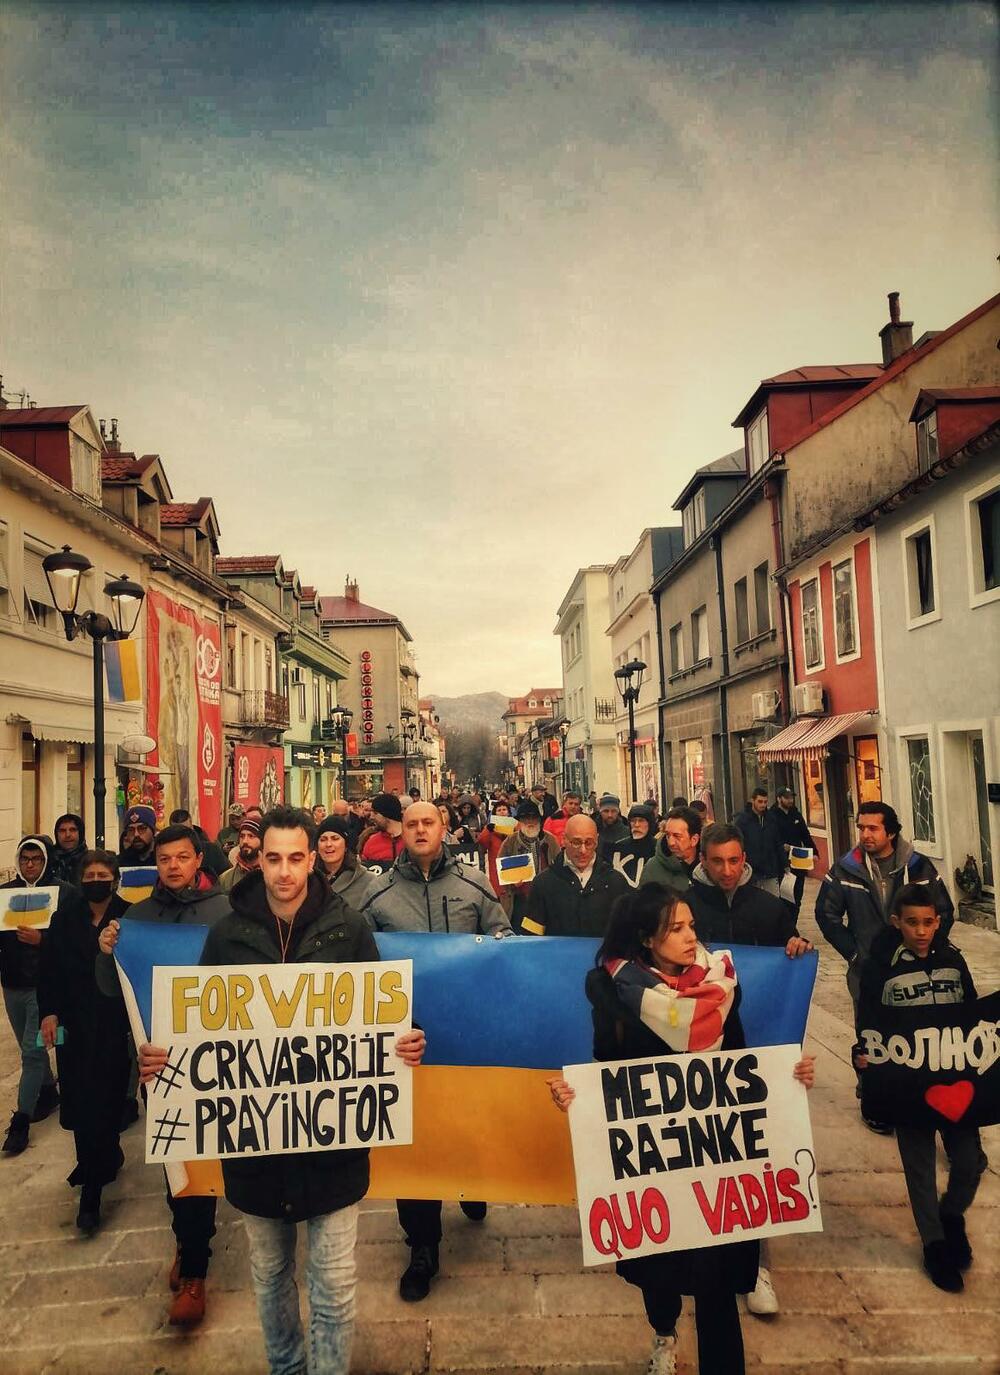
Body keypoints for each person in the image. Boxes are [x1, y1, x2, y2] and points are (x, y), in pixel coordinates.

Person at [138, 806, 425, 1375]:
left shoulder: (350, 928)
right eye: (274, 858)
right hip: (255, 1149)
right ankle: (287, 1367)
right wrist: (163, 1056)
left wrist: (407, 1042)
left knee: (336, 1282)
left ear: (314, 857)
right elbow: (199, 1028)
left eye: (297, 858)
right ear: (257, 859)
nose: (285, 872)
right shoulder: (227, 934)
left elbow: (385, 1021)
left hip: (334, 1147)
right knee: (269, 1277)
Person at [547, 884, 815, 1375]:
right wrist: (574, 1096)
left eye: (691, 925)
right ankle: (664, 1331)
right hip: (655, 1158)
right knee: (661, 1267)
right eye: (676, 928)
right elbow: (607, 1065)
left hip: (714, 1156)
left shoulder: (721, 984)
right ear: (647, 938)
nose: (691, 936)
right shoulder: (610, 989)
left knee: (716, 1280)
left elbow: (739, 1060)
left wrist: (789, 1080)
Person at [358, 802, 511, 1302]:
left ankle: (470, 1182)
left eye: (429, 823)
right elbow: (354, 955)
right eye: (412, 824)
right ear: (399, 832)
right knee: (414, 1138)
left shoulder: (473, 883)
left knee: (466, 1123)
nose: (420, 830)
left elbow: (502, 937)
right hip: (406, 1040)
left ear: (444, 829)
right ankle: (422, 1244)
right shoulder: (377, 893)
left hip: (467, 1034)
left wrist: (498, 944)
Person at [97, 824, 232, 1327]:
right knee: (176, 1165)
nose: (173, 866)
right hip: (163, 1065)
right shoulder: (137, 918)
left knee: (210, 1161)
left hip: (220, 1061)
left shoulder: (227, 912)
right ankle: (191, 1256)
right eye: (164, 859)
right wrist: (107, 952)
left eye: (182, 857)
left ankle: (196, 1256)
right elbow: (114, 993)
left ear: (199, 860)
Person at [683, 821, 813, 1317]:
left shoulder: (770, 908)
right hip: (699, 1053)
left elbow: (789, 952)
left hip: (756, 1052)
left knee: (753, 1154)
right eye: (717, 862)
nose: (727, 871)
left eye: (735, 861)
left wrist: (796, 949)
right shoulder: (683, 909)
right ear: (703, 858)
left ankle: (757, 1263)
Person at [855, 885, 987, 1292]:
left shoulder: (953, 960)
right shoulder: (881, 966)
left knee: (969, 1160)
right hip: (907, 1084)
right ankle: (934, 1245)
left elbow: (975, 1014)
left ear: (938, 921)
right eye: (912, 922)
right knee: (920, 1167)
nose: (922, 930)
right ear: (897, 922)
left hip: (954, 1078)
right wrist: (864, 1059)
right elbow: (869, 1023)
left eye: (929, 922)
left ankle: (952, 1216)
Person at [816, 800, 954, 1132]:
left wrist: (927, 949)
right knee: (872, 1038)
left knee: (917, 1035)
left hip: (914, 970)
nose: (865, 834)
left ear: (890, 831)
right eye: (861, 827)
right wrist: (854, 954)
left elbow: (944, 911)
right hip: (867, 971)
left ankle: (916, 1096)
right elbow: (826, 914)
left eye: (873, 828)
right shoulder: (845, 869)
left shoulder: (918, 867)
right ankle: (875, 1102)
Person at [37, 850, 130, 1233]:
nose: (95, 879)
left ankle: (98, 1172)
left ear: (114, 878)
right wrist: (49, 1012)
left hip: (112, 1024)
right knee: (75, 1095)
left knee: (107, 1097)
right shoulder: (64, 918)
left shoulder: (129, 917)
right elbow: (49, 969)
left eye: (102, 873)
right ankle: (92, 1171)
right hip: (72, 1024)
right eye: (89, 873)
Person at [0, 835, 65, 1154]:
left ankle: (21, 1121)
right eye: (24, 859)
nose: (29, 865)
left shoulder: (61, 892)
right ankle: (48, 1091)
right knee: (34, 1051)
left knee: (32, 1049)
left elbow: (70, 939)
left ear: (45, 861)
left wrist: (43, 941)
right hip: (11, 986)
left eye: (36, 859)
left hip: (44, 988)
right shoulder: (4, 894)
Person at [521, 814, 630, 938]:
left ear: (597, 841)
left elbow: (626, 934)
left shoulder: (616, 882)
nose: (583, 850)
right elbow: (531, 938)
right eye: (576, 842)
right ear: (564, 840)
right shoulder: (543, 883)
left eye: (589, 843)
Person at [497, 801, 560, 931]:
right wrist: (511, 882)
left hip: (546, 899)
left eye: (533, 818)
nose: (530, 822)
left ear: (539, 820)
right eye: (525, 819)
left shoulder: (550, 840)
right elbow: (501, 868)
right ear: (520, 821)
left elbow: (561, 866)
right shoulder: (510, 842)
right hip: (519, 900)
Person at [315, 815, 378, 910]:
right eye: (323, 839)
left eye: (335, 838)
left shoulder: (367, 880)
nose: (328, 844)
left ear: (346, 845)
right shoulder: (309, 877)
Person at [769, 786, 813, 917]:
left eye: (791, 798)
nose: (790, 800)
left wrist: (814, 851)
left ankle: (793, 924)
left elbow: (805, 834)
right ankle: (786, 926)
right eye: (786, 798)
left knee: (798, 895)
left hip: (799, 857)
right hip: (782, 860)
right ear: (779, 799)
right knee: (786, 895)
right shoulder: (772, 816)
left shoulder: (796, 814)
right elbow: (770, 837)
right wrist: (781, 846)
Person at [733, 789, 785, 896]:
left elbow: (778, 842)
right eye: (760, 801)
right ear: (753, 800)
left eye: (765, 802)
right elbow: (737, 844)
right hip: (752, 871)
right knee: (753, 903)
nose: (763, 805)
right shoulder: (743, 821)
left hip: (770, 870)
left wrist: (784, 863)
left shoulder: (771, 819)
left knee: (773, 904)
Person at [640, 806, 702, 893]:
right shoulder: (653, 868)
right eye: (668, 835)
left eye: (677, 836)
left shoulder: (708, 867)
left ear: (694, 839)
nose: (671, 842)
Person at [168, 808, 228, 880]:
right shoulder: (165, 853)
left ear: (192, 827)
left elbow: (226, 879)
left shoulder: (211, 850)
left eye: (185, 831)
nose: (181, 836)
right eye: (176, 832)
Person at [610, 804, 658, 886]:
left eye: (641, 820)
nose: (636, 825)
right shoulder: (619, 847)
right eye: (633, 821)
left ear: (650, 823)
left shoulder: (658, 848)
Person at [476, 800, 512, 896]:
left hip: (513, 868)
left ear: (509, 812)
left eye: (504, 809)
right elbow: (482, 841)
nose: (502, 812)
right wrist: (488, 830)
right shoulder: (490, 829)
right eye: (499, 810)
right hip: (497, 871)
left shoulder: (515, 826)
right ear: (495, 814)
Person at [359, 793, 405, 868]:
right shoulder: (371, 843)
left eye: (375, 813)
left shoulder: (411, 840)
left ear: (387, 814)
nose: (371, 817)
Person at [218, 817, 263, 892]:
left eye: (251, 836)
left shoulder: (270, 876)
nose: (245, 841)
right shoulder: (225, 879)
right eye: (242, 836)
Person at [50, 812, 88, 883]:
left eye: (73, 830)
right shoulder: (49, 862)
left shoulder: (89, 862)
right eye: (62, 831)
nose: (67, 835)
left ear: (80, 833)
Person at [595, 793, 630, 862]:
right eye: (606, 811)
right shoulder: (593, 831)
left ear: (618, 812)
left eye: (613, 811)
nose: (610, 815)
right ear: (600, 812)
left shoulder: (627, 833)